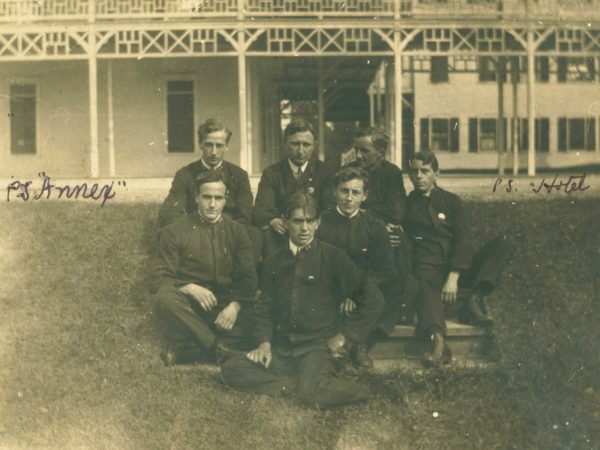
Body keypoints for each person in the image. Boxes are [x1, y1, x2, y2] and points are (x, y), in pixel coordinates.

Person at [221, 193, 384, 409]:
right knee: (232, 369)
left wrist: (344, 337)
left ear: (318, 223)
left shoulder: (334, 257)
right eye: (298, 221)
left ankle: (370, 391)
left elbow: (374, 299)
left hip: (319, 348)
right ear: (286, 222)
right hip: (284, 349)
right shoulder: (274, 262)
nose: (304, 228)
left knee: (311, 396)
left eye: (310, 221)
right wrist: (264, 345)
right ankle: (298, 385)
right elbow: (265, 308)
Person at [403, 151, 515, 366]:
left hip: (458, 266)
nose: (419, 176)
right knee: (425, 281)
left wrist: (454, 276)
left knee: (505, 243)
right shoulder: (407, 206)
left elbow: (463, 240)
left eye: (425, 171)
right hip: (429, 266)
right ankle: (437, 340)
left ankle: (475, 296)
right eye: (414, 171)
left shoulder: (451, 201)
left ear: (436, 174)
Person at [150, 171, 258, 365]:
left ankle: (189, 351)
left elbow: (248, 279)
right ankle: (216, 348)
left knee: (261, 313)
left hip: (225, 308)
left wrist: (235, 306)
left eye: (218, 198)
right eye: (207, 197)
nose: (212, 204)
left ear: (225, 200)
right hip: (192, 309)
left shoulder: (238, 231)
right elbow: (159, 277)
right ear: (196, 198)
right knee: (165, 298)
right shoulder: (175, 231)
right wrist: (189, 288)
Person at [316, 166, 402, 368]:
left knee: (389, 292)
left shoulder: (374, 225)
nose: (348, 198)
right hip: (331, 285)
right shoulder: (321, 223)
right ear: (334, 192)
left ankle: (353, 343)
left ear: (365, 196)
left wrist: (355, 293)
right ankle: (354, 343)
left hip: (364, 288)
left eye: (355, 193)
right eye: (344, 191)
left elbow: (386, 269)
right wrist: (344, 292)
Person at [349, 127, 411, 321]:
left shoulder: (391, 173)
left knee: (395, 240)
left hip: (379, 231)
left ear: (380, 153)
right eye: (356, 149)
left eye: (365, 151)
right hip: (354, 229)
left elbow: (396, 211)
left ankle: (395, 307)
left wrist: (363, 212)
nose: (358, 155)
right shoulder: (348, 172)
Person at [252, 118, 335, 256]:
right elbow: (261, 209)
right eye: (295, 144)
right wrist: (273, 220)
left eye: (306, 144)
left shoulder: (325, 171)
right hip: (282, 232)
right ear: (285, 144)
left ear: (314, 145)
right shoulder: (272, 173)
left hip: (314, 232)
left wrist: (311, 225)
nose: (300, 150)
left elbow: (330, 208)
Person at [158, 119, 253, 229]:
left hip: (228, 233)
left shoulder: (239, 175)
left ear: (226, 146)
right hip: (195, 232)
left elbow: (245, 214)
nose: (213, 152)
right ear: (200, 144)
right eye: (209, 145)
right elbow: (170, 212)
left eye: (219, 146)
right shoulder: (185, 174)